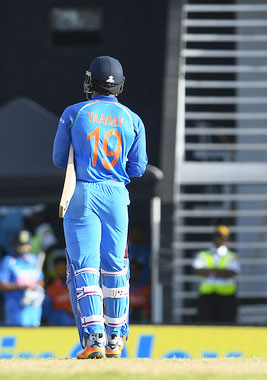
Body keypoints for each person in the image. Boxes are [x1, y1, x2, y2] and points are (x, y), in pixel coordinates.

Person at [52, 56, 148, 359]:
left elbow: (58, 159)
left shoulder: (74, 113)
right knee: (116, 266)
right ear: (119, 85)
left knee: (84, 267)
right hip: (117, 196)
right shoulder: (133, 119)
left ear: (89, 81)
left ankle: (94, 338)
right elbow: (139, 168)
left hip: (83, 192)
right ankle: (116, 338)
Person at [192, 225, 240, 323]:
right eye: (217, 236)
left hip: (227, 297)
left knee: (226, 324)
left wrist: (211, 271)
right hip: (207, 296)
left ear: (228, 239)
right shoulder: (203, 254)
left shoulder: (232, 255)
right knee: (205, 324)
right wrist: (219, 271)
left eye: (222, 237)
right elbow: (197, 270)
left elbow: (232, 272)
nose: (219, 239)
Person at [0, 230, 45, 327]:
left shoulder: (34, 260)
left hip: (34, 307)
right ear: (14, 245)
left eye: (26, 244)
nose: (23, 247)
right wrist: (23, 287)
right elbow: (2, 285)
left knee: (34, 336)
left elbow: (41, 281)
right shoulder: (8, 261)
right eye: (20, 244)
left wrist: (35, 287)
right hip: (16, 307)